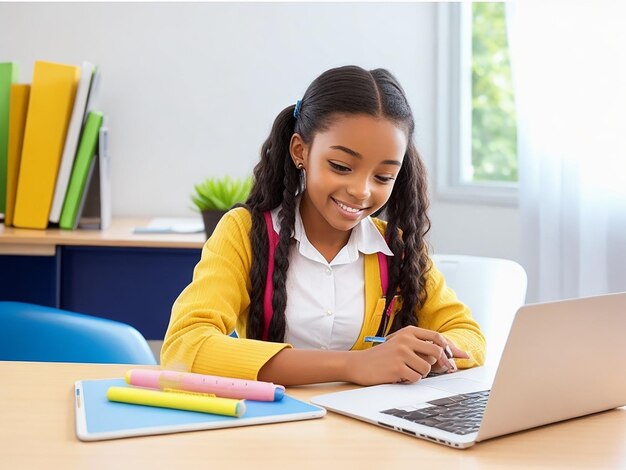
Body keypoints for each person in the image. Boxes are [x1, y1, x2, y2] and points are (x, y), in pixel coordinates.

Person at [161, 65, 485, 386]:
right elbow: (184, 346)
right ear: (300, 151)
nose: (362, 191)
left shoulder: (397, 247)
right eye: (341, 166)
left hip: (367, 429)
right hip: (271, 425)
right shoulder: (245, 232)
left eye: (383, 176)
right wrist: (352, 365)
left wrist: (431, 352)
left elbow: (468, 336)